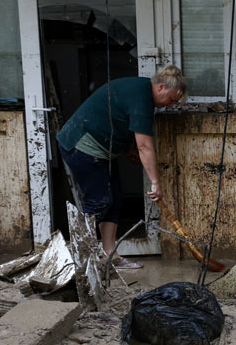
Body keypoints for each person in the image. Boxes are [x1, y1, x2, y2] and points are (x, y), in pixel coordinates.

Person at [56, 65, 187, 269]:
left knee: (115, 200)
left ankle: (110, 255)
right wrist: (155, 182)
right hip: (82, 145)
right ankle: (75, 259)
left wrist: (128, 148)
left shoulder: (141, 91)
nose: (169, 106)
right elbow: (145, 146)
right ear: (161, 87)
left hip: (100, 149)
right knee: (99, 201)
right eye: (171, 100)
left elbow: (117, 117)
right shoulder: (142, 98)